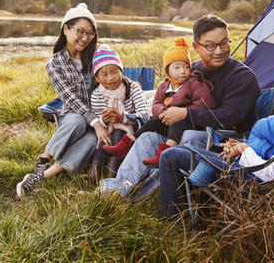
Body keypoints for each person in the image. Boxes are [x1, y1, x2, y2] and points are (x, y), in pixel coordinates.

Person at [99, 14, 260, 198]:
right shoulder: (191, 69)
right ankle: (115, 191)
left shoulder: (242, 77)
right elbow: (169, 97)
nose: (219, 50)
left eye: (224, 43)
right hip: (180, 130)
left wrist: (185, 114)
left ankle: (140, 197)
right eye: (210, 45)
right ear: (196, 47)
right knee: (149, 137)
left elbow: (229, 117)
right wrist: (165, 112)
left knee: (188, 137)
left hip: (223, 141)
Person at [159, 54, 274, 219]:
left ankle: (174, 220)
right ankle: (197, 214)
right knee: (182, 151)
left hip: (250, 177)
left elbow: (273, 173)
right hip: (249, 167)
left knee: (170, 156)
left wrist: (244, 149)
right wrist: (240, 146)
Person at [16, 3, 110, 198]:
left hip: (98, 116)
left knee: (94, 139)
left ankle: (42, 177)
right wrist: (94, 121)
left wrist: (101, 121)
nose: (85, 38)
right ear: (66, 29)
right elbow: (71, 99)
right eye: (80, 32)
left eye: (90, 33)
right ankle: (44, 158)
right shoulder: (55, 63)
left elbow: (112, 77)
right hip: (72, 116)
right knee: (77, 120)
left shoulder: (96, 56)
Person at [102, 38, 216, 167]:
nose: (182, 71)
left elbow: (206, 103)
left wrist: (184, 112)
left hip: (188, 121)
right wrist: (163, 112)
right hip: (167, 119)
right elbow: (156, 104)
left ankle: (164, 153)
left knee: (177, 126)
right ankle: (127, 144)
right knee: (151, 123)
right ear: (167, 70)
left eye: (186, 67)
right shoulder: (164, 85)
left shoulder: (194, 83)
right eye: (177, 67)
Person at [87, 44, 149, 184]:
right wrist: (103, 120)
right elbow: (98, 120)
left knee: (119, 135)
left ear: (121, 71)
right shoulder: (97, 95)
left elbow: (145, 116)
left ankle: (112, 176)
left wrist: (123, 117)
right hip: (109, 131)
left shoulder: (133, 88)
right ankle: (94, 175)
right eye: (104, 74)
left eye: (115, 72)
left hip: (132, 132)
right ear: (97, 78)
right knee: (104, 139)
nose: (111, 78)